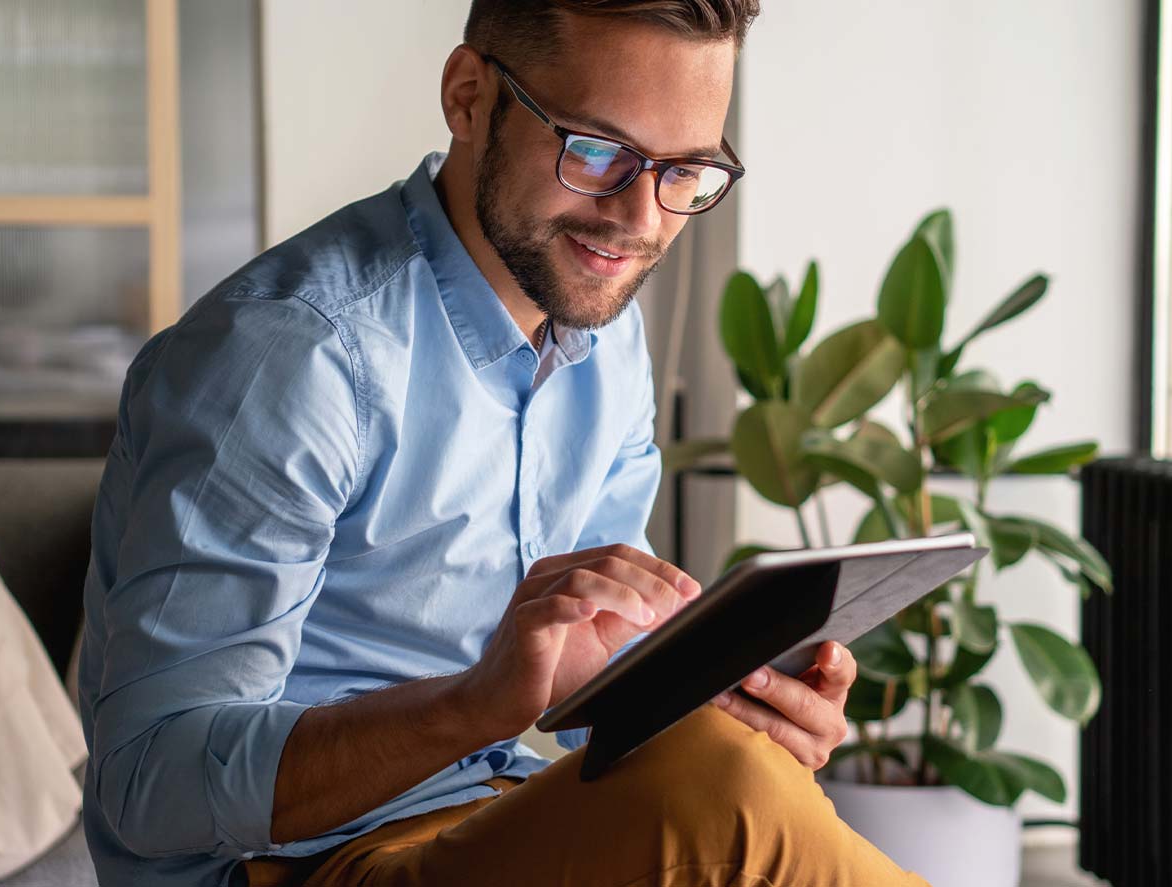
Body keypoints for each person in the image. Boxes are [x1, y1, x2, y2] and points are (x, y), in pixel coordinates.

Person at [77, 2, 931, 885]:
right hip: (286, 865)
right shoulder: (292, 357)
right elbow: (149, 785)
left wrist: (728, 694)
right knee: (726, 798)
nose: (638, 219)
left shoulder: (602, 336)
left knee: (732, 762)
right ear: (468, 97)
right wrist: (472, 705)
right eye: (596, 151)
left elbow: (583, 688)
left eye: (685, 170)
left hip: (497, 811)